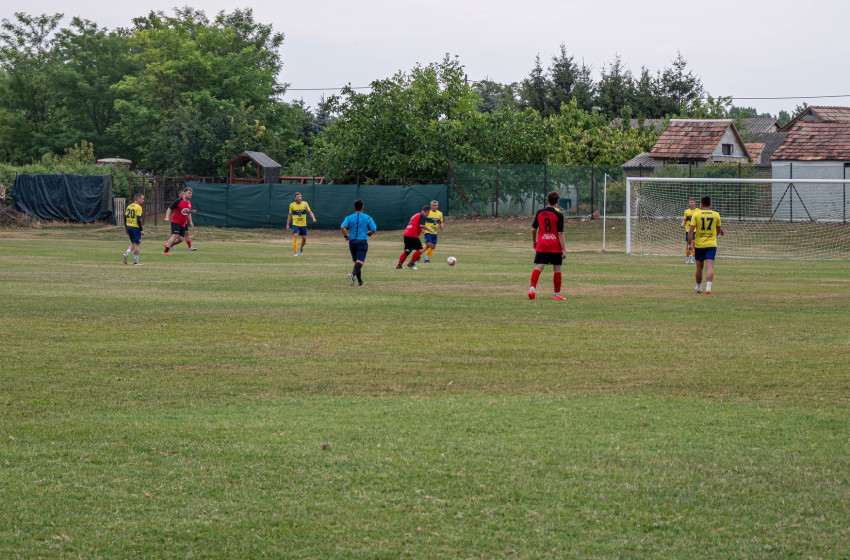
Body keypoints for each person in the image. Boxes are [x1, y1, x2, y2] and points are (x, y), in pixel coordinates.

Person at [528, 191, 567, 301]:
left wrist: (534, 241)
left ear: (547, 200)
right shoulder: (559, 215)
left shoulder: (540, 212)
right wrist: (563, 249)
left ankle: (532, 289)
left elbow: (534, 229)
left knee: (539, 267)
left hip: (542, 245)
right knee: (557, 269)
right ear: (557, 201)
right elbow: (560, 233)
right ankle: (556, 294)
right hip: (554, 245)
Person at [688, 195, 724, 295]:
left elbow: (691, 230)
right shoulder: (716, 214)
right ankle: (708, 288)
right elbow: (718, 230)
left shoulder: (696, 214)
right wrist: (711, 236)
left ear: (701, 204)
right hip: (711, 244)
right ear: (710, 204)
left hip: (699, 244)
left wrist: (689, 244)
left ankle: (699, 287)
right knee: (710, 266)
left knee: (699, 268)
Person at [341, 199, 377, 286]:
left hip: (352, 241)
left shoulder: (349, 217)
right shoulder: (368, 217)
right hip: (362, 241)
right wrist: (369, 234)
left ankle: (360, 281)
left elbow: (342, 227)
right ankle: (352, 275)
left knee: (356, 262)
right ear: (362, 207)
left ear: (354, 207)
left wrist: (346, 236)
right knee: (360, 262)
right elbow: (374, 229)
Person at [396, 205, 430, 270]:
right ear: (427, 211)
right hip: (412, 234)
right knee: (420, 249)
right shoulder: (423, 215)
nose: (428, 214)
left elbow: (416, 224)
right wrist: (429, 229)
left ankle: (399, 265)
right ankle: (411, 263)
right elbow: (421, 225)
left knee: (407, 250)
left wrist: (421, 229)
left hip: (406, 234)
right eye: (429, 212)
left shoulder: (416, 215)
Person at [163, 187, 193, 255]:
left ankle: (168, 244)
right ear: (184, 193)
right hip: (175, 221)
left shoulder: (189, 203)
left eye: (191, 193)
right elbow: (169, 208)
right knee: (175, 236)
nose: (190, 195)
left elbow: (188, 213)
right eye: (189, 193)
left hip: (182, 223)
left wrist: (190, 222)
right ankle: (166, 251)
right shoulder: (178, 201)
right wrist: (167, 217)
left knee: (181, 239)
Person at [286, 192, 317, 256]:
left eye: (300, 196)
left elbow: (310, 212)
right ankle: (295, 252)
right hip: (295, 223)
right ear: (295, 198)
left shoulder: (305, 204)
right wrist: (288, 224)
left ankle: (301, 248)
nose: (299, 198)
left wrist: (313, 218)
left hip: (303, 224)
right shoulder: (292, 205)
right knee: (295, 235)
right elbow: (289, 215)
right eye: (298, 197)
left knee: (304, 238)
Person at [123, 193, 145, 265]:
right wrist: (141, 229)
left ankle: (126, 254)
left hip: (129, 226)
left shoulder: (129, 206)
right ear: (138, 199)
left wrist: (126, 228)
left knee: (133, 243)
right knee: (137, 244)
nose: (143, 200)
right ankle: (136, 262)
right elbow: (138, 219)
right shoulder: (138, 207)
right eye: (142, 199)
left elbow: (125, 217)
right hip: (135, 227)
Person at [680, 197, 697, 263]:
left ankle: (693, 258)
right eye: (690, 202)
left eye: (692, 202)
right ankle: (687, 258)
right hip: (688, 230)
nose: (690, 203)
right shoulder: (686, 211)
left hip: (695, 230)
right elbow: (684, 220)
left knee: (694, 243)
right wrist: (682, 224)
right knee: (688, 244)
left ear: (695, 202)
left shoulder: (698, 211)